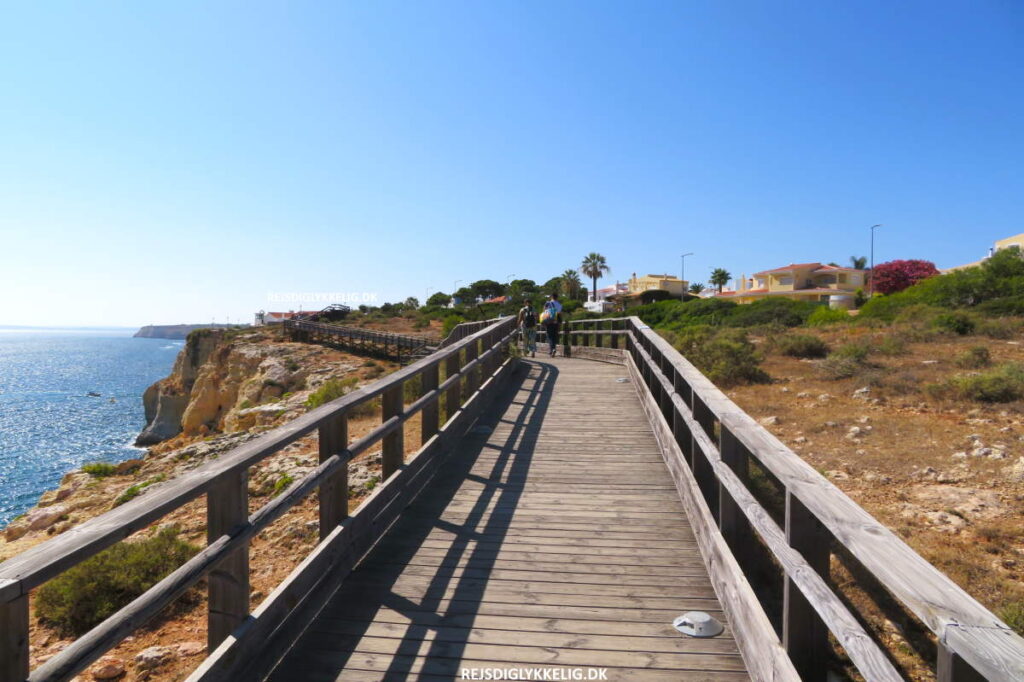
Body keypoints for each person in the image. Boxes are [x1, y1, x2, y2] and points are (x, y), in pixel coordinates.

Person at [541, 292, 563, 356]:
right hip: (556, 322)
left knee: (550, 336)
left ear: (551, 297)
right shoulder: (559, 304)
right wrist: (560, 322)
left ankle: (552, 350)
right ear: (557, 297)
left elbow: (544, 311)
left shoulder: (548, 303)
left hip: (549, 321)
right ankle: (553, 348)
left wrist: (543, 321)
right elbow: (560, 314)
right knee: (554, 336)